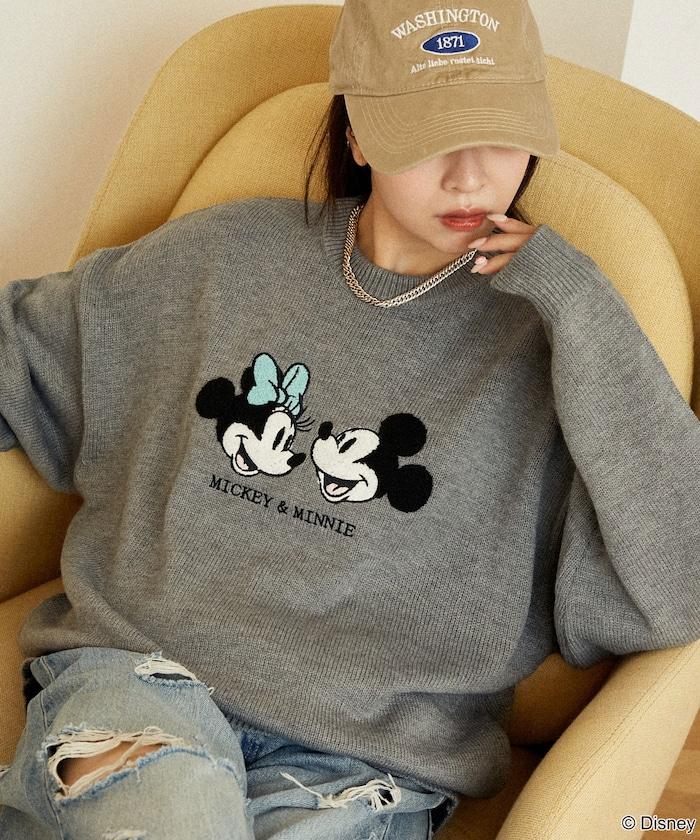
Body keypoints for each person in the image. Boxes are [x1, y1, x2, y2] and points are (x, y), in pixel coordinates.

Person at [1, 1, 698, 838]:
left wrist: (582, 306)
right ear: (360, 135)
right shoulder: (224, 259)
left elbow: (682, 579)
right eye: (431, 136)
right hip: (141, 683)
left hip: (363, 772)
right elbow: (24, 349)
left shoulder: (561, 348)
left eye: (501, 134)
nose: (472, 177)